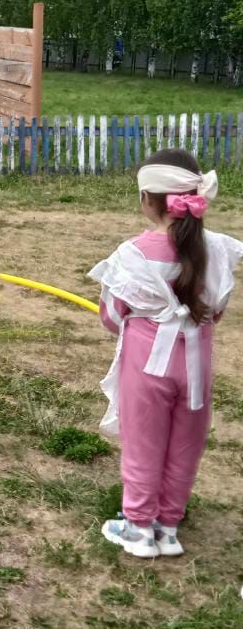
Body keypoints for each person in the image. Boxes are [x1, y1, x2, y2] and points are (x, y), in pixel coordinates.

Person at [89, 149, 242, 558]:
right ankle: (167, 527)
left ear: (148, 200)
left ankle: (138, 528)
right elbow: (218, 311)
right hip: (196, 370)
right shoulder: (219, 251)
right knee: (184, 446)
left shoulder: (132, 255)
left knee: (143, 444)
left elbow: (111, 316)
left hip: (147, 367)